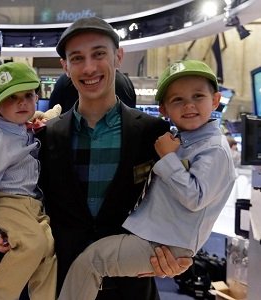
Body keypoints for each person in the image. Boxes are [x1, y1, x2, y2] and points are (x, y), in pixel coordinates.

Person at [37, 16, 193, 299]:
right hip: (63, 281)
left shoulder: (153, 133)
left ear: (118, 56)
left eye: (99, 54)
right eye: (77, 58)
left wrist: (180, 256)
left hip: (132, 284)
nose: (89, 67)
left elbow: (184, 199)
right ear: (65, 66)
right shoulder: (45, 136)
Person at [58, 59, 237, 300]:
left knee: (93, 260)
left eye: (198, 96)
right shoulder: (175, 140)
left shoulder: (163, 138)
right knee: (92, 261)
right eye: (178, 100)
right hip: (134, 242)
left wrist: (167, 159)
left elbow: (194, 197)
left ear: (214, 100)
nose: (189, 106)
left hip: (156, 247)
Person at [0, 61, 57, 300]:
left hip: (32, 204)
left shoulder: (21, 128)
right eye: (11, 97)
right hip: (6, 201)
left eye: (28, 95)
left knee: (48, 248)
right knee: (34, 244)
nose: (22, 102)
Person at [48, 69, 136, 113]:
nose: (90, 69)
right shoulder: (126, 81)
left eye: (99, 54)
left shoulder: (65, 80)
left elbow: (53, 113)